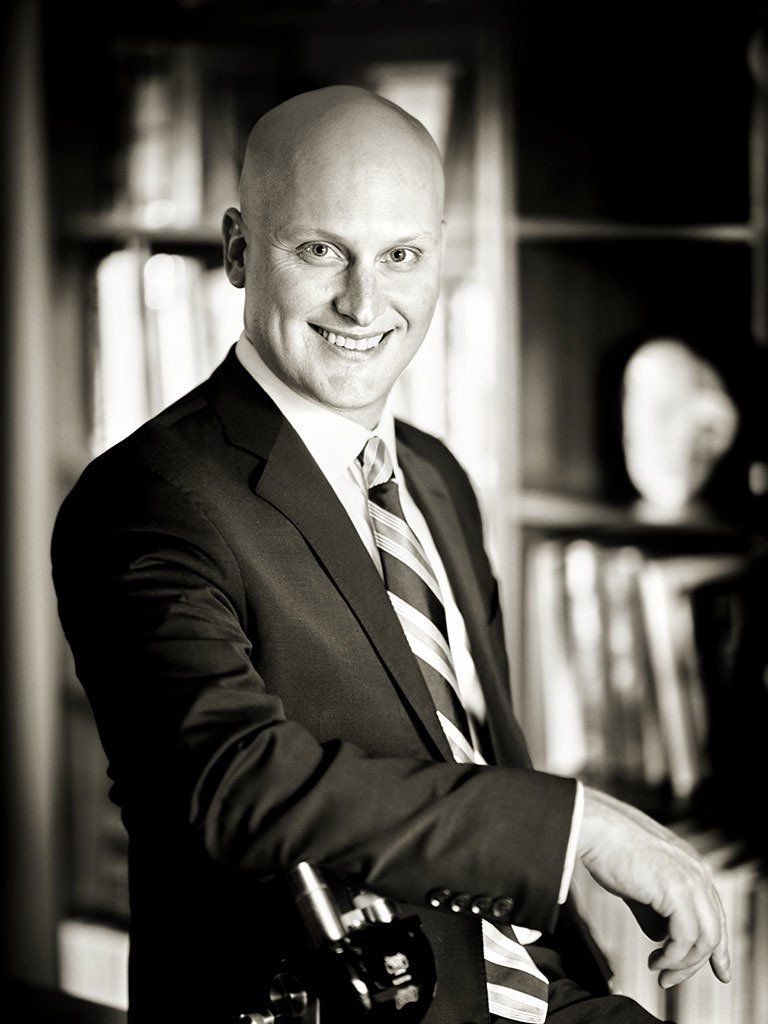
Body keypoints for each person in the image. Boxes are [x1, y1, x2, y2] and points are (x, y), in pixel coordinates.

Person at [52, 86, 729, 1024]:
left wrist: (570, 892)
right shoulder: (146, 500)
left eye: (401, 255)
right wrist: (572, 830)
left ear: (438, 258)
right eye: (320, 249)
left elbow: (465, 740)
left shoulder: (436, 478)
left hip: (539, 985)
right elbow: (235, 783)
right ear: (240, 248)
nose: (365, 302)